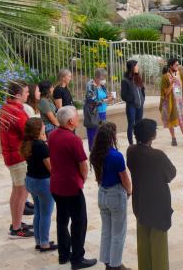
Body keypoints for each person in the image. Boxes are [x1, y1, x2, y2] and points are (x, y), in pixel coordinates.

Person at [48, 106, 96, 269]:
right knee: (79, 222)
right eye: (76, 116)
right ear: (70, 121)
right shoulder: (73, 139)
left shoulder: (51, 135)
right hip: (71, 187)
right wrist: (82, 179)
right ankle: (77, 259)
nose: (78, 119)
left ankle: (63, 255)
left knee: (62, 220)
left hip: (55, 185)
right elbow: (83, 164)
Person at [127, 119, 177, 270]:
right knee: (158, 246)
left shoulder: (131, 151)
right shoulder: (157, 155)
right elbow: (171, 174)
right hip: (157, 204)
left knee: (143, 242)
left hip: (140, 201)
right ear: (152, 135)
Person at [90, 122, 132, 270]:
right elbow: (124, 178)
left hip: (102, 192)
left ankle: (107, 261)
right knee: (118, 233)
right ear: (111, 137)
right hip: (115, 194)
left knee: (106, 230)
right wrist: (129, 191)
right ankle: (116, 264)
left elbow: (98, 177)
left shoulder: (95, 153)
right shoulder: (116, 156)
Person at [0, 80, 33, 238]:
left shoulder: (7, 108)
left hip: (12, 156)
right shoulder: (17, 112)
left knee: (16, 191)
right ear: (18, 95)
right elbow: (28, 132)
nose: (29, 94)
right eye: (26, 92)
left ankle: (16, 222)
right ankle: (17, 228)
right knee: (22, 193)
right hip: (18, 157)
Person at [20, 117, 55, 251]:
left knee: (38, 213)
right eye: (42, 126)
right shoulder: (41, 146)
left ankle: (39, 240)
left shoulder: (27, 143)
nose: (44, 127)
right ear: (38, 129)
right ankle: (44, 243)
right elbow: (50, 168)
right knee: (46, 214)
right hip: (43, 183)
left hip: (30, 180)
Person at [161, 58, 183, 147]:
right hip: (170, 102)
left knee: (182, 120)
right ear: (171, 66)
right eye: (176, 65)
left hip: (180, 101)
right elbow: (166, 93)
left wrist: (179, 82)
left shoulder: (179, 73)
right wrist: (171, 84)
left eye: (178, 64)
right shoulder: (165, 77)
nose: (178, 66)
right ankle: (173, 138)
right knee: (171, 120)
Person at [84, 68, 112, 150]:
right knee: (93, 134)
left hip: (102, 112)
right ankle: (93, 152)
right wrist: (106, 100)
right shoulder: (90, 85)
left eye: (104, 78)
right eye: (102, 78)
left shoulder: (102, 85)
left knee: (102, 133)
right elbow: (92, 100)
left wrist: (109, 97)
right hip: (94, 113)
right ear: (96, 77)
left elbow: (104, 95)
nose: (104, 80)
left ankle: (100, 152)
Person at [121, 60, 145, 145]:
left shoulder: (138, 78)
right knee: (131, 124)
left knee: (139, 125)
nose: (138, 67)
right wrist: (133, 100)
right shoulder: (125, 80)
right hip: (131, 106)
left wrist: (142, 99)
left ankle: (139, 142)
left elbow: (142, 90)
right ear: (132, 67)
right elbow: (123, 96)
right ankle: (131, 144)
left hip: (140, 105)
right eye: (136, 66)